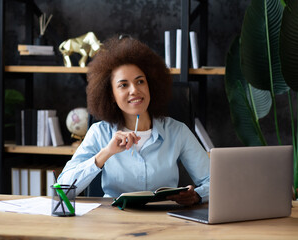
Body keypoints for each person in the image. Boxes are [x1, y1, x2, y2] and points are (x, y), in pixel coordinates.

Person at [58, 35, 210, 205]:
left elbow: (214, 182)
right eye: (123, 85)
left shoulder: (177, 131)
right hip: (113, 224)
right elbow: (62, 190)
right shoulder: (99, 133)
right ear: (111, 96)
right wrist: (106, 153)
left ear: (150, 85)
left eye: (140, 82)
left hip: (166, 221)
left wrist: (197, 195)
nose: (134, 90)